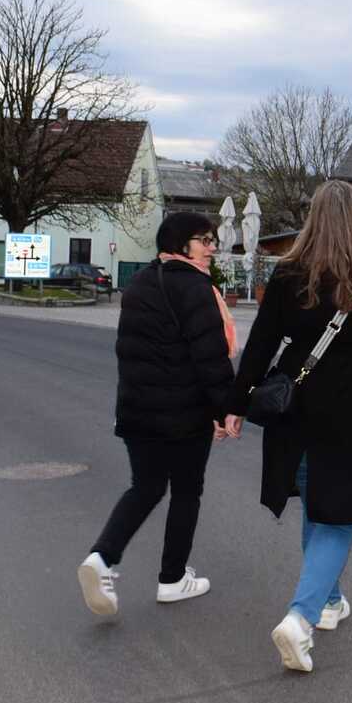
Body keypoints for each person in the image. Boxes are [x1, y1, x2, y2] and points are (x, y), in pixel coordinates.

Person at [225, 180, 352, 673]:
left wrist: (237, 401)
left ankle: (330, 601)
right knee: (338, 514)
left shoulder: (289, 273)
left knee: (319, 503)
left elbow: (261, 342)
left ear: (313, 218)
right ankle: (302, 617)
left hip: (296, 400)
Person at [77, 212, 238, 615]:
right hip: (185, 415)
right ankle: (172, 579)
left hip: (136, 410)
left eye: (213, 240)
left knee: (145, 487)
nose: (212, 248)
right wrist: (226, 410)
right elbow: (210, 359)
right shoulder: (196, 288)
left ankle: (101, 558)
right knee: (186, 491)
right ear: (181, 243)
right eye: (204, 240)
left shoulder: (139, 283)